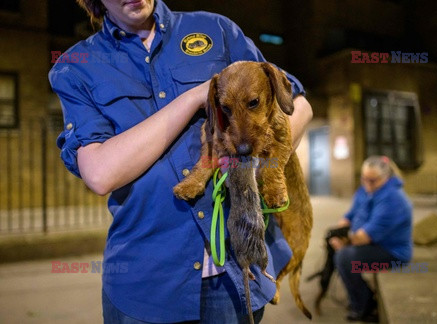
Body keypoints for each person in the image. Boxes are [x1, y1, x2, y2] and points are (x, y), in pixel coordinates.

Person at [49, 0, 313, 323]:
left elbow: (297, 105)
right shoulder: (76, 66)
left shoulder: (217, 30)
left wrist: (262, 164)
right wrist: (193, 98)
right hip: (146, 290)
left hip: (236, 277)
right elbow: (100, 173)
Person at [329, 156, 412, 322]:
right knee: (340, 252)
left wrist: (343, 241)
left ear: (386, 178)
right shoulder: (367, 189)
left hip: (392, 256)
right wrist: (338, 232)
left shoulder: (392, 199)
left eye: (372, 180)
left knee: (346, 258)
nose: (367, 184)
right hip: (373, 246)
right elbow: (350, 215)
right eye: (364, 179)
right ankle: (361, 297)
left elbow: (364, 237)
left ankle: (364, 305)